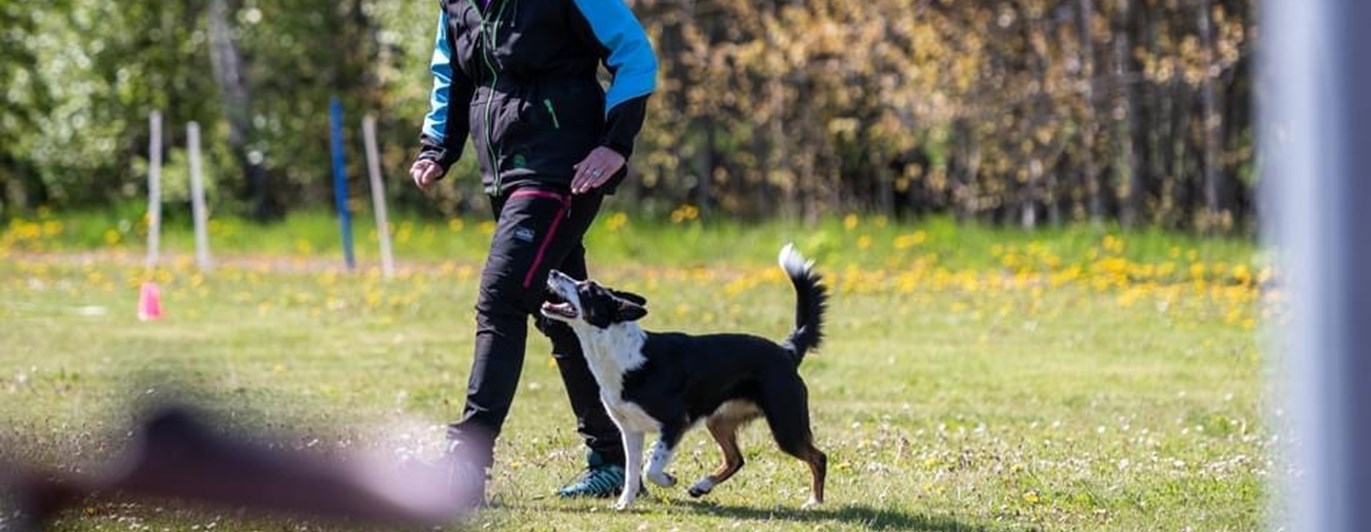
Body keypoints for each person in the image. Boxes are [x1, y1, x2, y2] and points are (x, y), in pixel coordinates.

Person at [408, 0, 658, 506]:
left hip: (566, 168)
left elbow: (635, 55)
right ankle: (612, 459)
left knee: (502, 299)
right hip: (505, 170)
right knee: (560, 311)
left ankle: (465, 466)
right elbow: (451, 71)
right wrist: (438, 145)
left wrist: (615, 145)